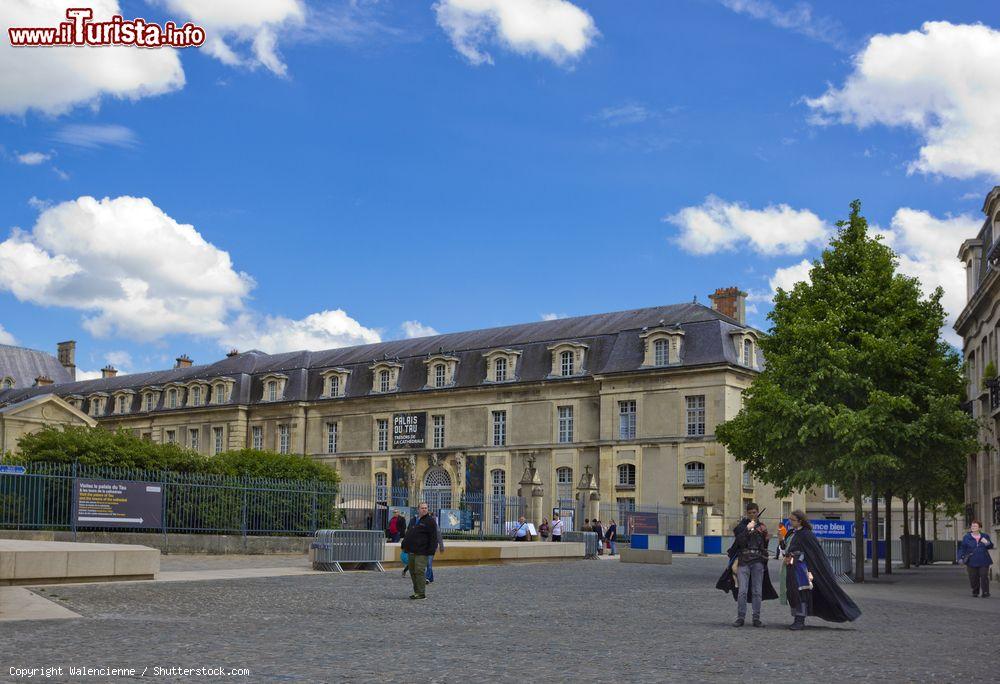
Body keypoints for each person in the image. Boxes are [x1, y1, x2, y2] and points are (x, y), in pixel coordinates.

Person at [783, 510, 862, 629]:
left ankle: (800, 619)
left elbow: (815, 553)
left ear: (800, 521)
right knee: (793, 592)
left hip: (802, 568)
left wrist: (800, 559)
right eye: (789, 519)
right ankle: (797, 617)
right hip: (791, 567)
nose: (790, 521)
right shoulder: (791, 533)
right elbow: (785, 548)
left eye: (793, 520)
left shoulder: (806, 534)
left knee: (801, 593)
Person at [715, 501, 776, 627]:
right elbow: (739, 542)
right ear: (746, 514)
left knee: (757, 591)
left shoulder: (762, 527)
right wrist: (748, 529)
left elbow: (764, 546)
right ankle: (740, 617)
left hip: (758, 561)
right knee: (742, 590)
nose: (752, 515)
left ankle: (756, 618)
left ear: (758, 512)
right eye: (750, 513)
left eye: (754, 513)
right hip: (744, 561)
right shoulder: (741, 526)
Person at [401, 502, 438, 600]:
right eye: (422, 508)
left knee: (419, 570)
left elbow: (434, 537)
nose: (424, 509)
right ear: (418, 509)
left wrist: (431, 551)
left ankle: (421, 593)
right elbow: (409, 532)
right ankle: (416, 591)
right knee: (412, 571)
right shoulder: (414, 520)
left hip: (423, 551)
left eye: (426, 508)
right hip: (411, 550)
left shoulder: (430, 521)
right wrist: (404, 544)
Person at [958, 519, 994, 598]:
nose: (973, 527)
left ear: (980, 528)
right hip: (971, 560)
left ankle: (985, 592)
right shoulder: (966, 537)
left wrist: (987, 543)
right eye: (972, 526)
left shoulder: (985, 536)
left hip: (984, 560)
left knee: (984, 575)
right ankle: (975, 591)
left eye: (975, 526)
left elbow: (990, 546)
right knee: (973, 577)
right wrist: (960, 557)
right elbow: (962, 548)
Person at [425, 515, 445, 584]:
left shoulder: (436, 527)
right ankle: (431, 578)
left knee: (429, 563)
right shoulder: (425, 526)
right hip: (425, 547)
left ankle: (427, 578)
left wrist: (441, 547)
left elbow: (439, 537)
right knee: (428, 563)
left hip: (432, 547)